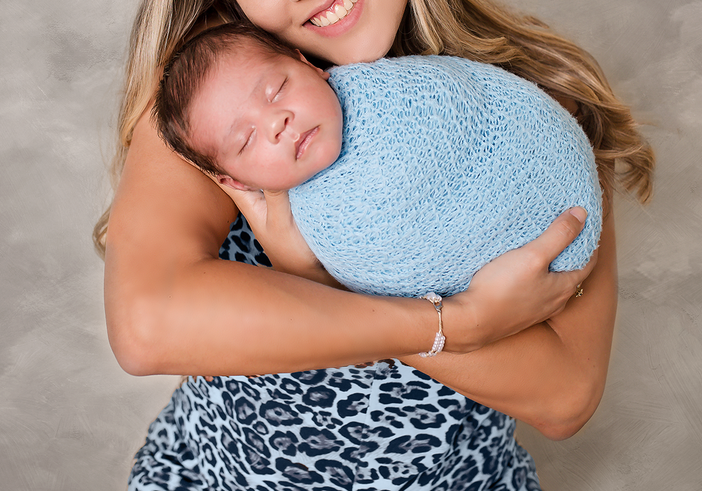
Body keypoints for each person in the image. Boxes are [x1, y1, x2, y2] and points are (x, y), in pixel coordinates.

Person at [96, 0, 654, 491]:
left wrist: (320, 277)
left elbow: (565, 396)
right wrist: (452, 324)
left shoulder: (535, 108)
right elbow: (148, 326)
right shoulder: (220, 104)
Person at [151, 21, 603, 298]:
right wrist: (309, 273)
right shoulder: (301, 223)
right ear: (235, 181)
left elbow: (470, 109)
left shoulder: (397, 92)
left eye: (277, 90)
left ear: (308, 64)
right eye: (247, 139)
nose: (277, 122)